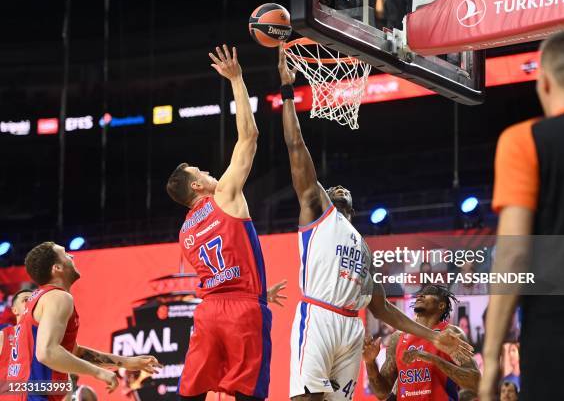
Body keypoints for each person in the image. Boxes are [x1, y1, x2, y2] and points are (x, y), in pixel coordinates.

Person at [278, 47, 472, 401]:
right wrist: (288, 92)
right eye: (332, 187)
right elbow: (295, 147)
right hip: (319, 315)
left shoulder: (363, 246)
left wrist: (432, 336)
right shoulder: (317, 211)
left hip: (352, 327)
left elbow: (381, 308)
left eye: (344, 189)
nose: (338, 188)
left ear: (353, 207)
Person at [479, 29, 564, 401]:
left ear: (545, 83)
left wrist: (491, 360)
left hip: (557, 342)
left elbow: (514, 252)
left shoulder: (523, 140)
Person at [166, 44, 284, 401]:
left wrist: (256, 289)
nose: (208, 171)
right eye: (201, 171)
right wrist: (237, 79)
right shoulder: (226, 197)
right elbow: (249, 137)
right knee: (249, 392)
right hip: (242, 311)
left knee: (193, 392)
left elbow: (221, 270)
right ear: (198, 186)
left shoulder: (185, 231)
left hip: (208, 312)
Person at [6, 242, 160, 400]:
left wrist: (127, 362)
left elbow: (75, 352)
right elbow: (47, 353)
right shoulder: (58, 297)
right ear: (57, 268)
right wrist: (98, 372)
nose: (71, 256)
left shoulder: (39, 299)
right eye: (65, 254)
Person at [363, 285, 480, 400]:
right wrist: (370, 363)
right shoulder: (398, 337)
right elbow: (382, 393)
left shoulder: (451, 334)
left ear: (441, 305)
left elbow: (475, 382)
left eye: (430, 292)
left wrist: (432, 359)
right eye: (421, 293)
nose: (421, 295)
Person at [0, 289, 33, 395]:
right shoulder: (3, 336)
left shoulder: (46, 336)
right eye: (26, 299)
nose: (32, 303)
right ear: (14, 310)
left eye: (35, 300)